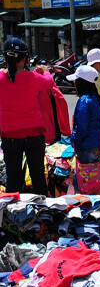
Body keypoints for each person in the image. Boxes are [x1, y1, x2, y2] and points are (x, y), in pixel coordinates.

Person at [0, 38, 52, 195]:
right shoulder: (34, 78)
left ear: (5, 59)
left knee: (13, 179)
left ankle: (13, 215)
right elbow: (49, 83)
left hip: (10, 135)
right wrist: (46, 71)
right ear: (25, 60)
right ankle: (43, 215)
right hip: (34, 134)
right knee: (38, 177)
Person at [68, 65, 100, 165]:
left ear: (81, 83)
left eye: (76, 81)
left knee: (83, 178)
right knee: (94, 175)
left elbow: (81, 127)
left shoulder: (84, 101)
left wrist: (74, 140)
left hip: (86, 146)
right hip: (98, 144)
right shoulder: (96, 99)